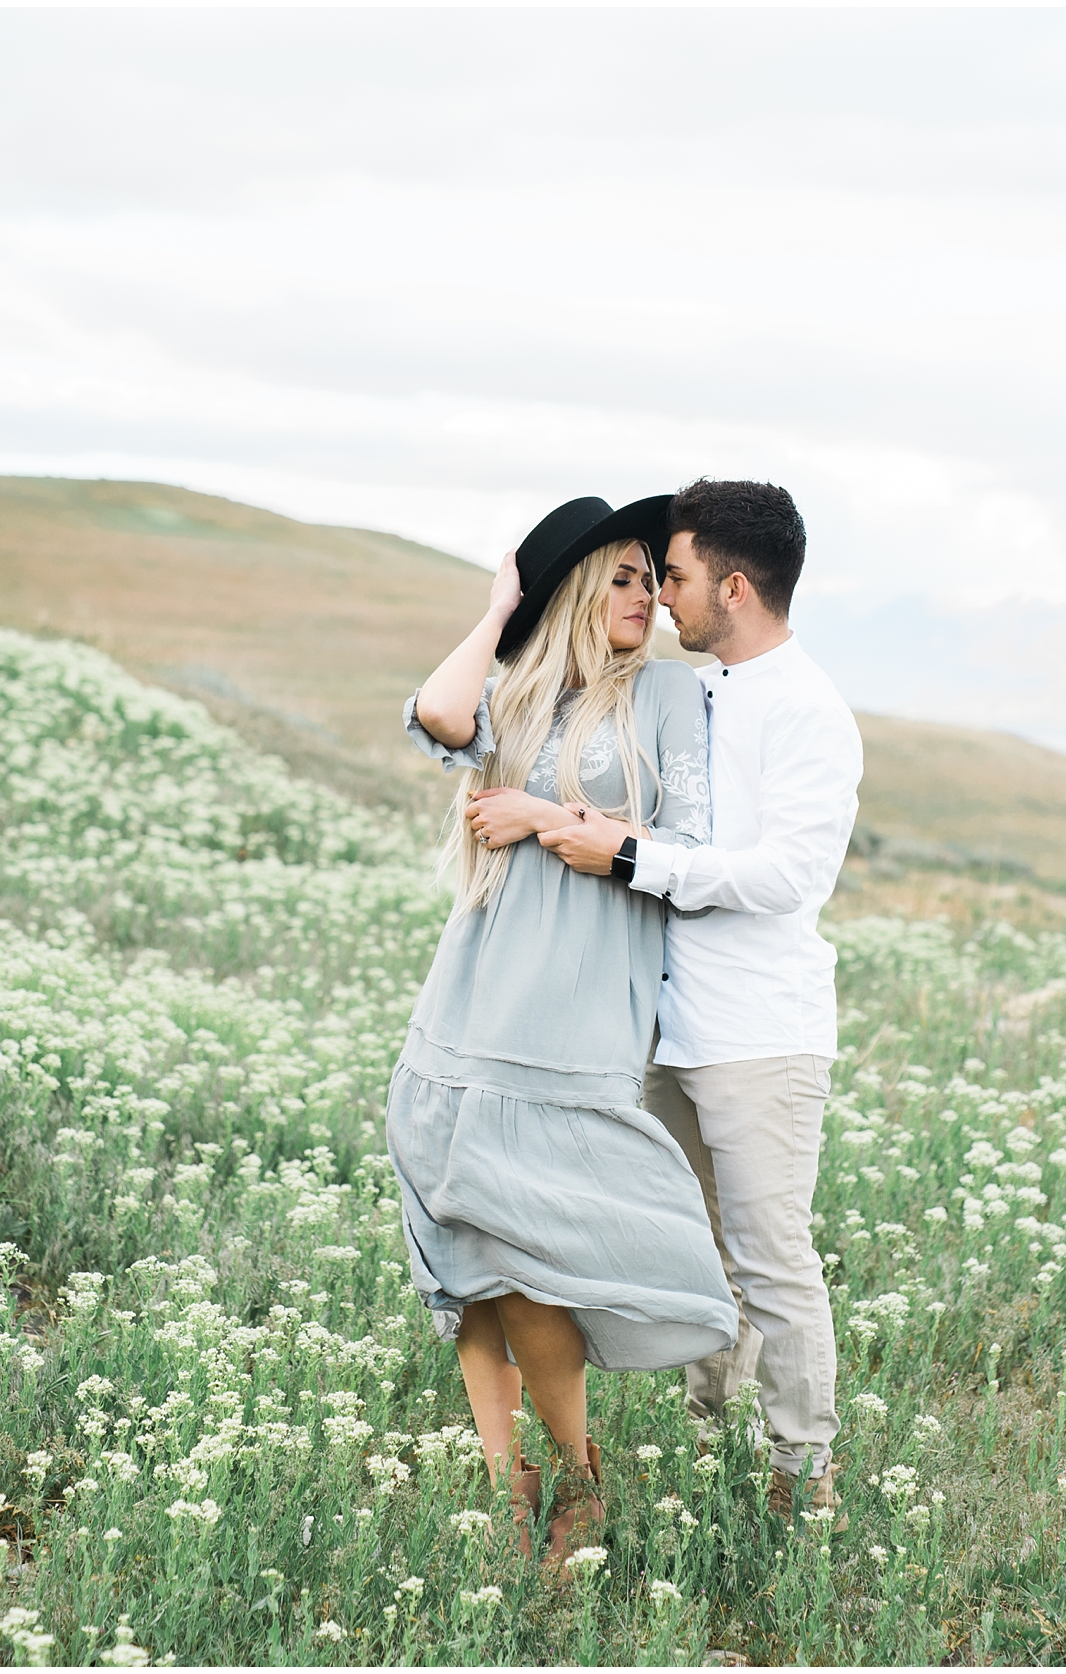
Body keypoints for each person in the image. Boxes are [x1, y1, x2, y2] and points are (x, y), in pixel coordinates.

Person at [388, 493, 737, 1563]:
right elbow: (441, 717)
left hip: (581, 1004)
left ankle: (577, 1475)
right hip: (474, 989)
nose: (644, 597)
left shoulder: (667, 699)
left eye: (651, 578)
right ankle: (507, 1481)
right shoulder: (520, 693)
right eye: (624, 578)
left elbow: (684, 840)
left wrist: (543, 818)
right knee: (471, 1238)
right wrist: (500, 610)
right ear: (582, 592)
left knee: (538, 1247)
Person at [540, 478, 862, 1525]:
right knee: (695, 1250)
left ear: (732, 584)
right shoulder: (693, 692)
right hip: (669, 1026)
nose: (662, 596)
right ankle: (709, 1437)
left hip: (760, 1035)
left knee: (772, 1260)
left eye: (673, 576)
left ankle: (801, 1478)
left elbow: (784, 877)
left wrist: (633, 856)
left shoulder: (808, 709)